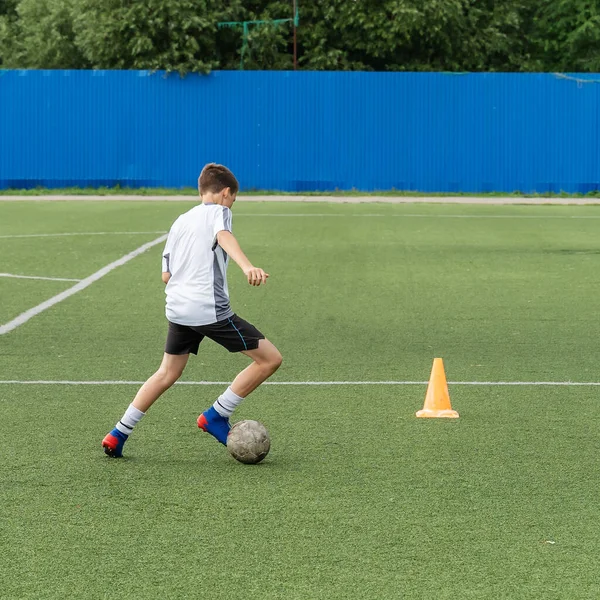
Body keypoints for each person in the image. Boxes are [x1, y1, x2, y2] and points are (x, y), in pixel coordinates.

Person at [102, 163, 282, 458]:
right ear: (226, 193)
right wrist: (247, 266)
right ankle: (216, 415)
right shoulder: (219, 212)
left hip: (177, 309)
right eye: (233, 198)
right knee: (269, 360)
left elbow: (166, 275)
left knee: (166, 373)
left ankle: (118, 433)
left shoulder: (180, 221)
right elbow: (223, 235)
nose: (231, 204)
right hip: (208, 309)